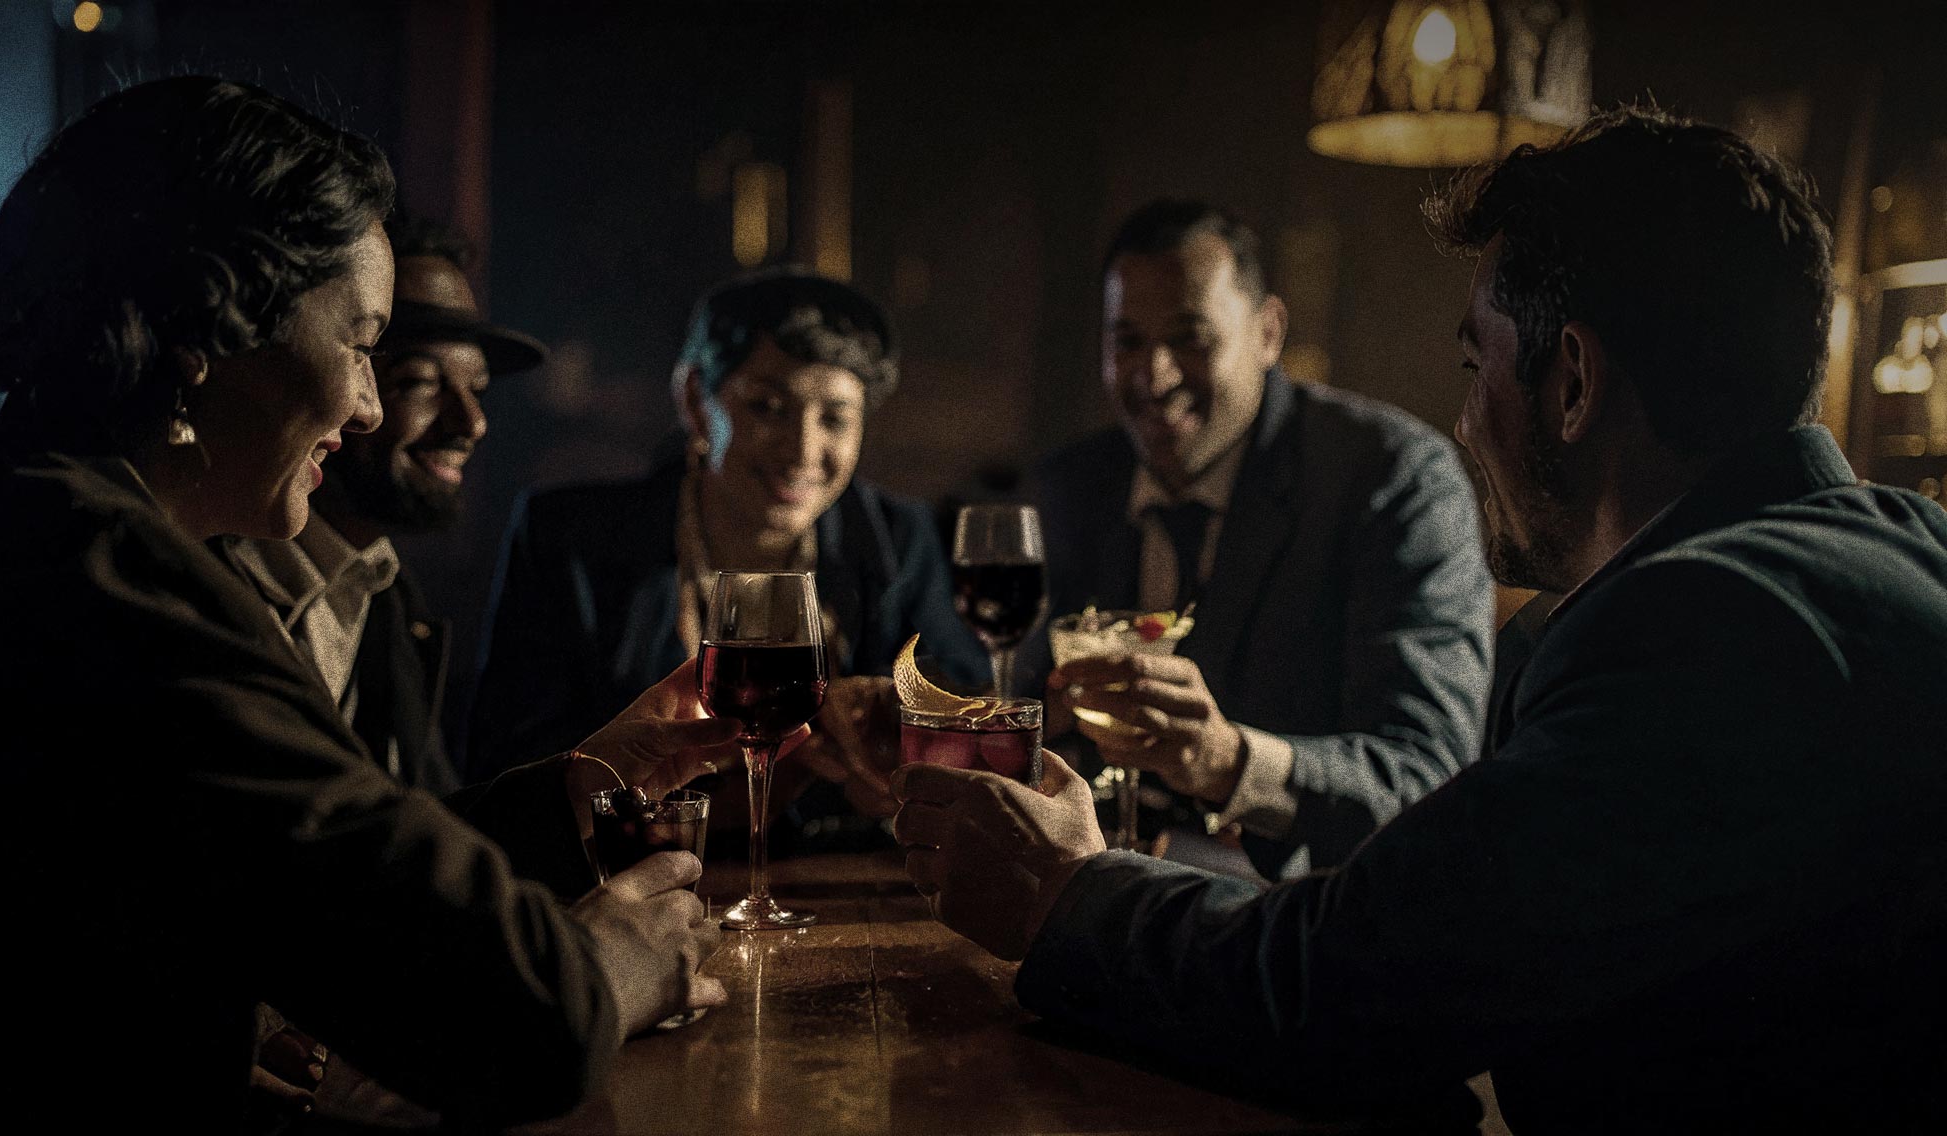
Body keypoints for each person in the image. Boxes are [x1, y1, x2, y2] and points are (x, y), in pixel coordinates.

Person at [894, 107, 1947, 1133]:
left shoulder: (1699, 625)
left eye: (1472, 364)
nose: (1462, 415)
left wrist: (1064, 890)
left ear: (1569, 381)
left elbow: (1346, 987)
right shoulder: (1902, 548)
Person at [0, 77, 735, 1130]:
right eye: (358, 340)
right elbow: (515, 1024)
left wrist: (573, 789)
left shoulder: (10, 525)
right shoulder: (109, 588)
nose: (372, 403)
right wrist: (616, 959)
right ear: (208, 327)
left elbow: (310, 867)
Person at [1027, 199, 1492, 878]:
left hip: (1312, 922)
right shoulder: (1073, 486)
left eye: (1189, 337)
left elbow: (1427, 774)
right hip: (1099, 901)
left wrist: (1227, 761)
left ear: (1269, 332)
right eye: (1127, 342)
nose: (1153, 376)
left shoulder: (1391, 479)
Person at [469, 268, 988, 844]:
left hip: (835, 886)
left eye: (835, 418)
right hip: (624, 885)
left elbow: (966, 708)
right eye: (768, 407)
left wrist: (898, 737)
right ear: (695, 400)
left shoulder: (898, 537)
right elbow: (507, 770)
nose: (803, 450)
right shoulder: (568, 539)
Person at [223, 217, 547, 795]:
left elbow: (431, 829)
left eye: (477, 387)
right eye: (421, 382)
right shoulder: (217, 581)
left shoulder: (388, 598)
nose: (471, 423)